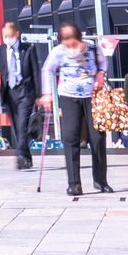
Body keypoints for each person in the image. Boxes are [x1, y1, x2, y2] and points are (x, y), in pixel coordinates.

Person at [40, 21, 112, 197]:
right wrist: (47, 93)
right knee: (70, 138)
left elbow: (103, 63)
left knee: (97, 138)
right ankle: (74, 184)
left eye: (74, 44)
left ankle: (100, 180)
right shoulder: (57, 52)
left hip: (93, 97)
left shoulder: (93, 48)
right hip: (68, 97)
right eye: (67, 45)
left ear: (80, 39)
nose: (71, 49)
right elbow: (47, 70)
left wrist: (101, 74)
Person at [0, 20, 43, 170]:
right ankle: (27, 157)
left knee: (22, 124)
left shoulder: (28, 49)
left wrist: (37, 95)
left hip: (25, 91)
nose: (7, 38)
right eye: (4, 36)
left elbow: (35, 73)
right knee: (16, 127)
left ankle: (20, 156)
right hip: (9, 93)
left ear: (17, 34)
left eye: (10, 35)